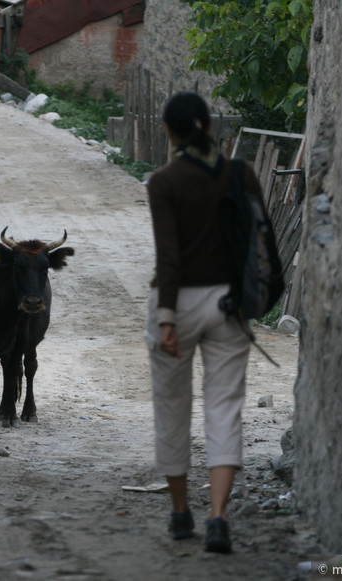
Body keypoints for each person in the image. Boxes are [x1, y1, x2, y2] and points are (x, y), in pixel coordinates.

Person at [145, 92, 264, 554]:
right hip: (230, 304)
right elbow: (256, 242)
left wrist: (169, 318)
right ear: (209, 125)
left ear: (170, 131)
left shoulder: (164, 181)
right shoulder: (242, 174)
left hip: (177, 303)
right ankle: (218, 518)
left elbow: (169, 258)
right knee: (224, 406)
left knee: (172, 405)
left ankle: (180, 513)